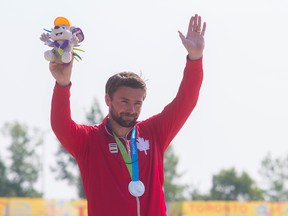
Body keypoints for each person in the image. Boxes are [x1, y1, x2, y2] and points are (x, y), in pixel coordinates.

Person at [49, 14, 206, 216]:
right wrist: (62, 85)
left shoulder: (154, 133)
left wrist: (195, 58)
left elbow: (186, 101)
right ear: (108, 100)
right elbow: (60, 125)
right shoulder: (88, 141)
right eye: (124, 102)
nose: (131, 110)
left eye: (137, 103)